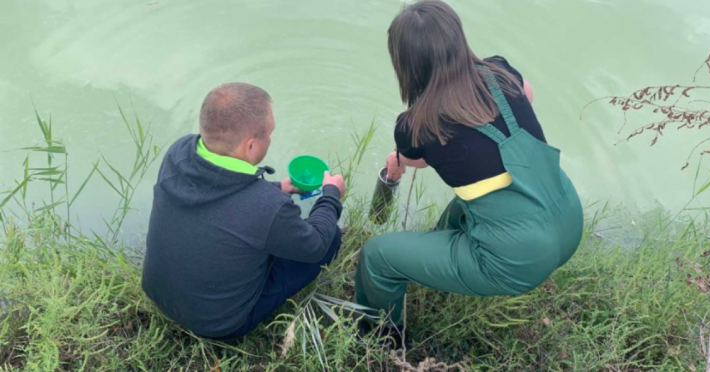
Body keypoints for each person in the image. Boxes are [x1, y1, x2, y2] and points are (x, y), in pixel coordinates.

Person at [355, 0, 584, 343]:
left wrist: (395, 166)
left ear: (406, 64)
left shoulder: (417, 125)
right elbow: (528, 93)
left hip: (517, 260)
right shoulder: (501, 71)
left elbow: (415, 160)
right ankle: (433, 259)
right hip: (567, 219)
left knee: (376, 256)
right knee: (465, 204)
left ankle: (380, 338)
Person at [141, 82, 346, 340]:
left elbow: (219, 191)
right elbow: (315, 244)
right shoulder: (268, 207)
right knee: (330, 239)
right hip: (218, 324)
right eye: (269, 133)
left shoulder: (178, 152)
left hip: (156, 292)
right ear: (250, 146)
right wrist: (331, 195)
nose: (271, 138)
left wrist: (278, 187)